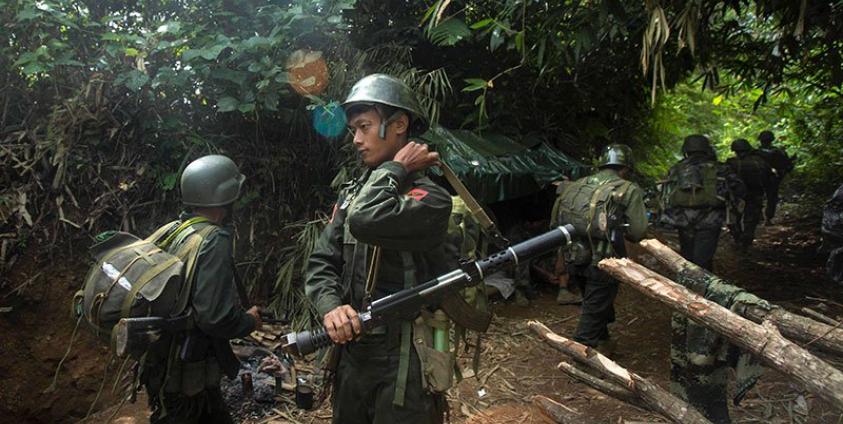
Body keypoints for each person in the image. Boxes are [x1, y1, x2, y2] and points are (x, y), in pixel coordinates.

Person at [304, 74, 452, 424]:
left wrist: (396, 168)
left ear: (399, 125)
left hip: (405, 359)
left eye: (364, 127)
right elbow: (321, 262)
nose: (356, 139)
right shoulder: (353, 193)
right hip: (354, 353)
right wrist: (331, 308)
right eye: (353, 129)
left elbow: (366, 220)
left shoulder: (430, 197)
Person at [142, 154, 262, 424]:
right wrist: (248, 322)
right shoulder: (213, 239)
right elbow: (214, 317)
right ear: (226, 198)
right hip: (186, 376)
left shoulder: (176, 229)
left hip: (161, 361)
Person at [554, 144, 647, 350]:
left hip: (574, 255)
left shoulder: (577, 185)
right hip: (605, 259)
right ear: (626, 167)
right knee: (594, 308)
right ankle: (578, 357)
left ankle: (604, 342)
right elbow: (638, 231)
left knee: (595, 301)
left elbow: (555, 222)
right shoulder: (627, 189)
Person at [660, 135, 744, 270]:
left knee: (687, 257)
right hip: (711, 219)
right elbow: (739, 188)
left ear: (686, 149)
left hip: (683, 219)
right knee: (703, 260)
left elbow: (666, 193)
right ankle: (702, 287)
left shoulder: (676, 168)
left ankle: (686, 286)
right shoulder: (720, 168)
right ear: (707, 149)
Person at [726, 139, 772, 250]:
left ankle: (739, 239)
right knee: (751, 220)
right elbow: (769, 178)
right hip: (755, 194)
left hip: (737, 196)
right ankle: (746, 240)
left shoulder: (731, 163)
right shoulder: (760, 162)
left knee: (733, 219)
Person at [757, 130, 794, 224]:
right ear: (771, 140)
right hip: (772, 178)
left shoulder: (755, 152)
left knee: (756, 196)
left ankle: (759, 216)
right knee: (771, 198)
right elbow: (787, 165)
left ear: (760, 140)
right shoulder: (779, 151)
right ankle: (768, 218)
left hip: (758, 178)